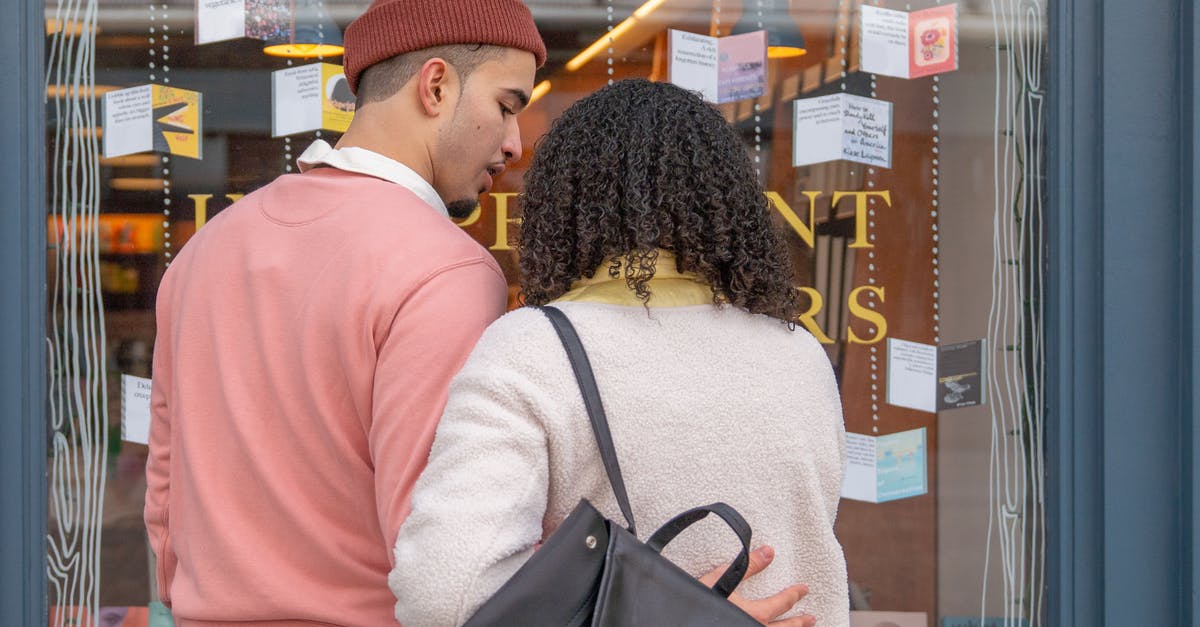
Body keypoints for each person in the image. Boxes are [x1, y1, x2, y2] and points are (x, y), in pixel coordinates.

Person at [389, 79, 850, 627]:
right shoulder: (799, 354)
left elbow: (445, 594)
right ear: (729, 201)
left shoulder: (537, 350)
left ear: (563, 205)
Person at [144, 1, 544, 624]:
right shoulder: (447, 272)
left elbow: (164, 506)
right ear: (435, 85)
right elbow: (451, 555)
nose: (516, 143)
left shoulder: (204, 251)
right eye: (507, 104)